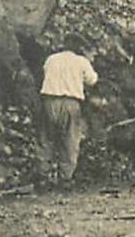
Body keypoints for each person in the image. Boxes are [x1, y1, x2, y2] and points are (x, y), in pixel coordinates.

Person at [39, 36, 98, 182]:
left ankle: (44, 174)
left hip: (49, 100)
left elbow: (45, 73)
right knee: (70, 139)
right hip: (71, 102)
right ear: (79, 48)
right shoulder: (81, 61)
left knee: (47, 138)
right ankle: (65, 177)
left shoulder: (51, 59)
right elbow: (92, 80)